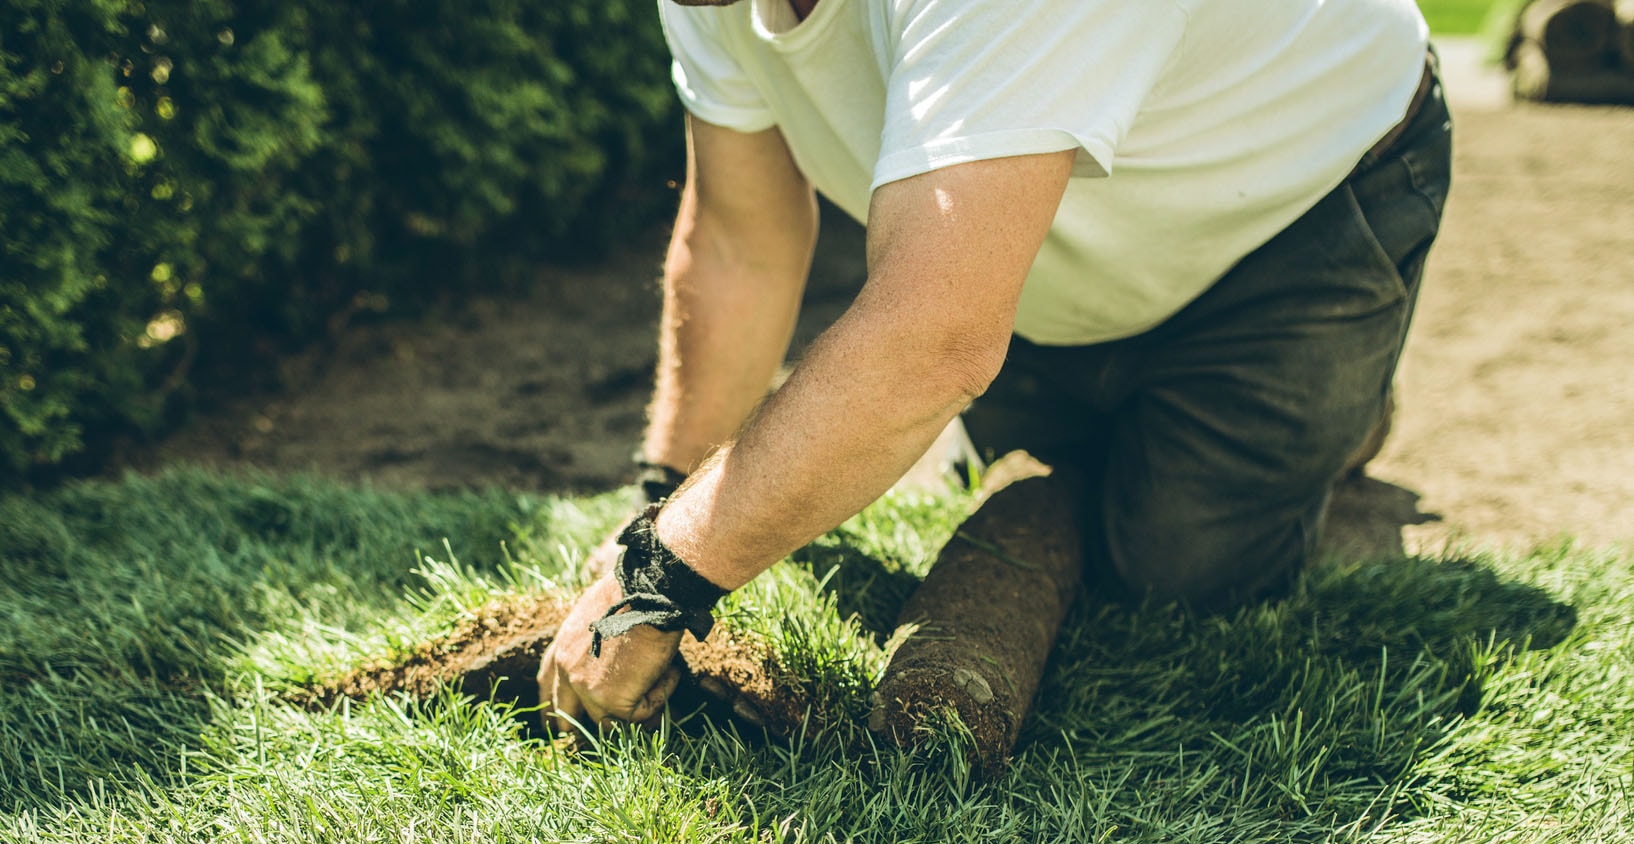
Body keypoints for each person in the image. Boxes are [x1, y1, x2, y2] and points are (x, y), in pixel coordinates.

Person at [538, 0, 1453, 733]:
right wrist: (658, 510)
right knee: (943, 393)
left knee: (1178, 577)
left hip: (1292, 221)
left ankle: (1344, 404)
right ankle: (1171, 409)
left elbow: (934, 337)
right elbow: (742, 241)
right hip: (1041, 248)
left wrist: (656, 587)